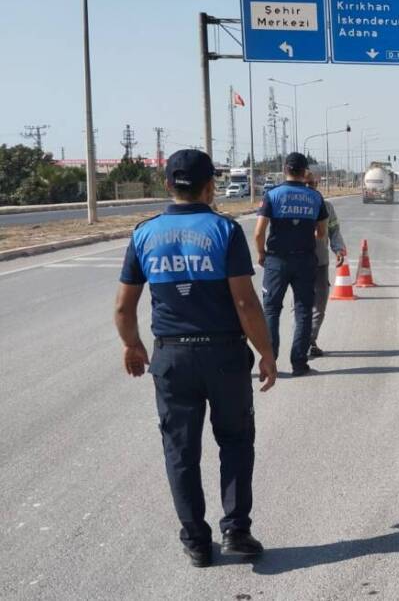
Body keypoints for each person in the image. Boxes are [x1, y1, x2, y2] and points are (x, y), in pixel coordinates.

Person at [114, 149, 277, 568]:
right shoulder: (225, 230)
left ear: (168, 184)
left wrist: (132, 344)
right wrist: (266, 352)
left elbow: (124, 307)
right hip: (223, 354)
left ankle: (197, 543)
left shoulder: (144, 234)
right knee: (236, 442)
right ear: (210, 187)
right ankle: (237, 533)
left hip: (172, 357)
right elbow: (244, 301)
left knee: (180, 451)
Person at [254, 152, 328, 376]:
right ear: (305, 172)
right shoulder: (315, 198)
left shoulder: (272, 195)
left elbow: (259, 233)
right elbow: (321, 232)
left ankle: (270, 360)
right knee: (304, 310)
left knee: (271, 310)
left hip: (276, 260)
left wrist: (261, 254)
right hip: (305, 260)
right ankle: (299, 363)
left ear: (285, 169)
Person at [305, 170, 347, 357]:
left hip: (320, 263)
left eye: (312, 184)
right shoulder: (292, 207)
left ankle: (310, 340)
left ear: (317, 184)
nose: (309, 188)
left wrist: (338, 249)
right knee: (300, 306)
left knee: (319, 306)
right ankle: (302, 343)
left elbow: (334, 230)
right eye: (305, 184)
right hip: (298, 264)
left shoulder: (326, 206)